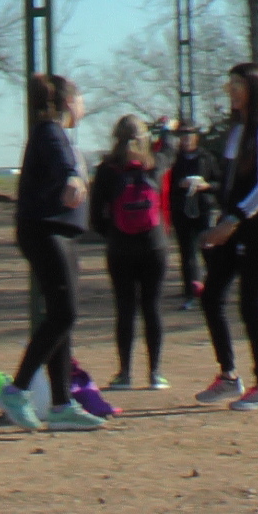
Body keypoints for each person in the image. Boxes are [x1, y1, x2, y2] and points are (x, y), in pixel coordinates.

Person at [0, 75, 105, 433]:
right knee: (64, 313)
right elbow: (63, 164)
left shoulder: (56, 132)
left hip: (61, 233)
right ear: (68, 102)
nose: (84, 105)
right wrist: (73, 177)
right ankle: (17, 389)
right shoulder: (50, 131)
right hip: (46, 231)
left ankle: (61, 405)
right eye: (82, 98)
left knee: (63, 319)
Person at [197, 62, 258, 412]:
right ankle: (228, 376)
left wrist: (232, 220)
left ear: (254, 88)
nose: (230, 90)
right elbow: (234, 183)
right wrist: (213, 201)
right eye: (230, 82)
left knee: (250, 304)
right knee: (211, 298)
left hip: (257, 226)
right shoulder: (236, 131)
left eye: (237, 83)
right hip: (232, 224)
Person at [88, 114, 171, 392]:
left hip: (120, 248)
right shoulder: (155, 165)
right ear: (145, 138)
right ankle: (155, 373)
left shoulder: (106, 170)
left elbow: (96, 217)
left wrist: (112, 233)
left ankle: (124, 373)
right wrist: (166, 130)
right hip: (154, 245)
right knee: (152, 307)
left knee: (124, 309)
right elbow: (169, 151)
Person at [164, 124, 218, 311]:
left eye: (189, 135)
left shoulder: (206, 158)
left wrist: (206, 186)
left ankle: (214, 289)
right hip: (181, 211)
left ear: (196, 137)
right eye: (183, 136)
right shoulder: (173, 160)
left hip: (203, 209)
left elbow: (219, 182)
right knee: (187, 254)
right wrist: (180, 184)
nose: (186, 139)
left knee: (208, 250)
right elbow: (165, 186)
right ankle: (190, 293)